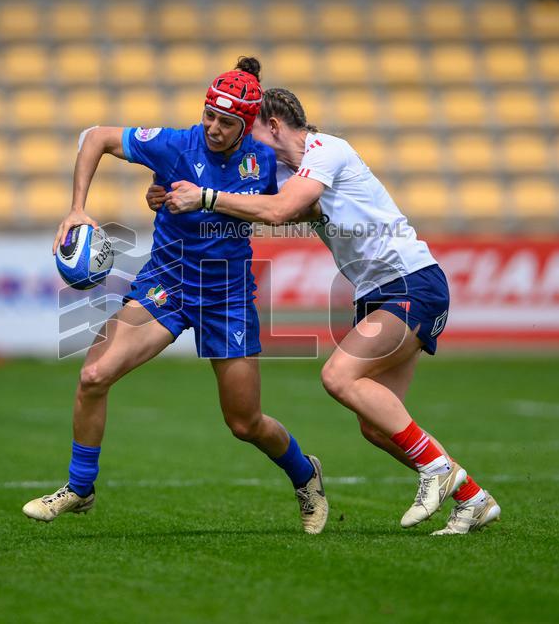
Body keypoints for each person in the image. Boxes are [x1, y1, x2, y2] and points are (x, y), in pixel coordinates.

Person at [155, 88, 501, 535]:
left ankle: (436, 468)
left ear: (273, 126)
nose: (243, 141)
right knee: (378, 426)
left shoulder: (326, 150)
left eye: (250, 129)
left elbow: (279, 211)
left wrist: (203, 197)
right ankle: (472, 499)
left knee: (339, 376)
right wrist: (169, 194)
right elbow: (262, 204)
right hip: (376, 292)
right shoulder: (285, 171)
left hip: (411, 281)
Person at [22, 59, 329, 535]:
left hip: (227, 297)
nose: (213, 127)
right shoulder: (175, 144)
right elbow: (96, 138)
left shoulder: (266, 159)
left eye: (225, 122)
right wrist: (77, 209)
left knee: (244, 422)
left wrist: (227, 202)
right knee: (94, 375)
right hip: (167, 285)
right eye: (209, 115)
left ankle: (305, 474)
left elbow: (301, 207)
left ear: (247, 125)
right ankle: (80, 488)